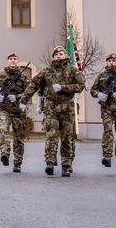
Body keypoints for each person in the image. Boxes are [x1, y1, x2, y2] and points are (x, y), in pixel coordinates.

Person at [20, 45, 85, 177]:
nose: (58, 56)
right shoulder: (46, 70)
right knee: (51, 136)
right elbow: (34, 85)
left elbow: (80, 85)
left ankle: (66, 165)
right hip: (51, 108)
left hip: (67, 108)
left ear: (66, 56)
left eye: (61, 54)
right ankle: (50, 162)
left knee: (67, 137)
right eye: (56, 54)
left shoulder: (72, 70)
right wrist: (23, 100)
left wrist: (63, 87)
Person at [0, 52, 30, 172]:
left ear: (18, 61)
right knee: (4, 130)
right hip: (4, 108)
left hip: (18, 110)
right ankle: (5, 153)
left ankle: (17, 162)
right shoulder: (0, 75)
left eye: (15, 59)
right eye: (11, 59)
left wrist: (18, 97)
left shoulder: (23, 76)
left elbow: (29, 91)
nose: (13, 61)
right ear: (7, 61)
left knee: (18, 137)